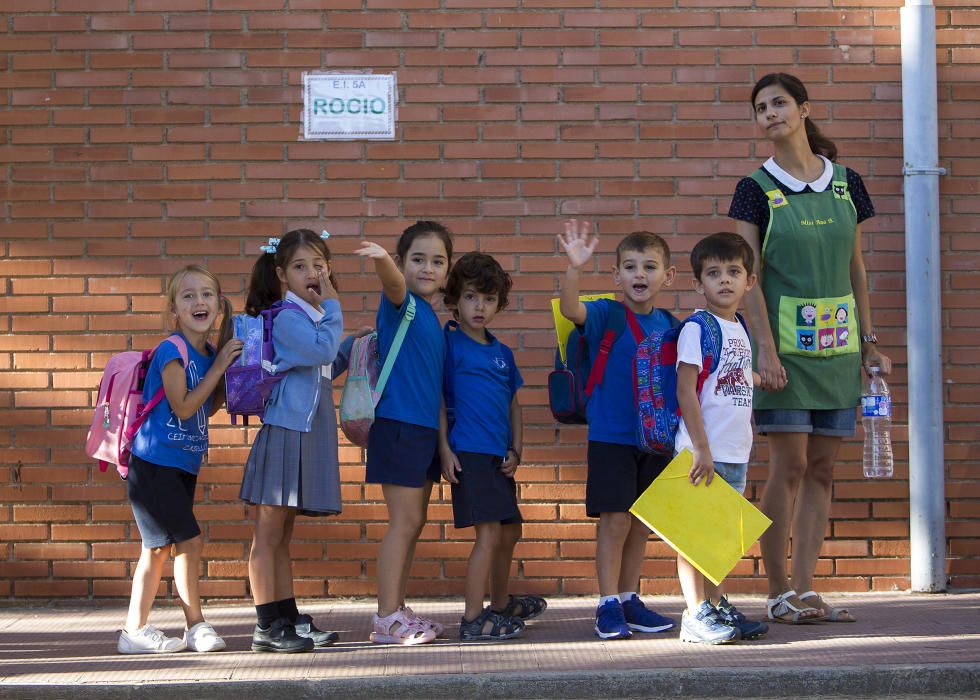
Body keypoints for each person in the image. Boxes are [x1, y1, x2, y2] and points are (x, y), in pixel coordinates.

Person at [728, 73, 892, 624]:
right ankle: (776, 590)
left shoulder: (847, 183)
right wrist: (764, 353)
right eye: (760, 108)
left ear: (803, 109)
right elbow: (747, 277)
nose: (769, 113)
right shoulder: (754, 188)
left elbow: (856, 267)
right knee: (789, 466)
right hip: (783, 355)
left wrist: (870, 343)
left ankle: (803, 590)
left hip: (841, 349)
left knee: (822, 469)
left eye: (778, 104)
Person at [557, 219, 678, 640]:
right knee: (615, 521)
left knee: (641, 523)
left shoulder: (670, 323)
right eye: (630, 267)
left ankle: (630, 598)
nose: (639, 275)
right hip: (611, 436)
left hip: (656, 440)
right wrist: (575, 267)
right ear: (616, 275)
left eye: (649, 267)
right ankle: (607, 603)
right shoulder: (607, 313)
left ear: (668, 275)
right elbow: (571, 308)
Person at [118, 265, 243, 654]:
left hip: (182, 464)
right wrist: (221, 365)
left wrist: (230, 374)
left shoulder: (207, 353)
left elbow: (209, 404)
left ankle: (133, 631)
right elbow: (185, 407)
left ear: (218, 305)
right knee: (188, 540)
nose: (198, 301)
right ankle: (196, 625)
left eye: (206, 294)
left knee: (155, 549)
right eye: (188, 296)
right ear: (174, 308)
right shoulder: (172, 350)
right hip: (153, 464)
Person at [239, 228, 345, 653]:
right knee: (268, 533)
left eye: (319, 265)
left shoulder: (313, 318)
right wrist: (335, 304)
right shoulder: (286, 316)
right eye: (300, 266)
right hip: (286, 430)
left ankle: (286, 616)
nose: (312, 273)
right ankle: (266, 624)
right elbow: (320, 353)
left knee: (282, 534)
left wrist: (350, 340)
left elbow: (323, 365)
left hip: (306, 430)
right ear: (282, 273)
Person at [438, 252, 547, 641]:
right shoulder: (448, 345)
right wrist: (444, 450)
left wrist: (517, 451)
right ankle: (472, 619)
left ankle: (500, 605)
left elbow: (513, 405)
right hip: (467, 452)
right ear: (455, 300)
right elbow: (436, 400)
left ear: (499, 303)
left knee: (510, 530)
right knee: (487, 535)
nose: (479, 306)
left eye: (487, 298)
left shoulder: (503, 353)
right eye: (470, 297)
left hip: (498, 457)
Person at [356, 221, 453, 645]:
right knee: (404, 522)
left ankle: (398, 607)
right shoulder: (403, 304)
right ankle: (386, 619)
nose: (428, 269)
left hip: (423, 431)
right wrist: (381, 262)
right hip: (398, 426)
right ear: (401, 263)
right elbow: (394, 286)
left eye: (438, 261)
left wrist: (442, 443)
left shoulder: (430, 317)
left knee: (415, 523)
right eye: (418, 259)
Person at [673, 232, 768, 644]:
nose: (724, 280)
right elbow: (685, 390)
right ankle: (694, 615)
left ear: (749, 281)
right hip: (700, 453)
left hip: (734, 452)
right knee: (694, 539)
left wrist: (758, 377)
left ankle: (716, 605)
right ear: (699, 284)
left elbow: (729, 378)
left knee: (720, 540)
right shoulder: (697, 328)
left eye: (734, 272)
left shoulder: (740, 327)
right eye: (714, 273)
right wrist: (702, 449)